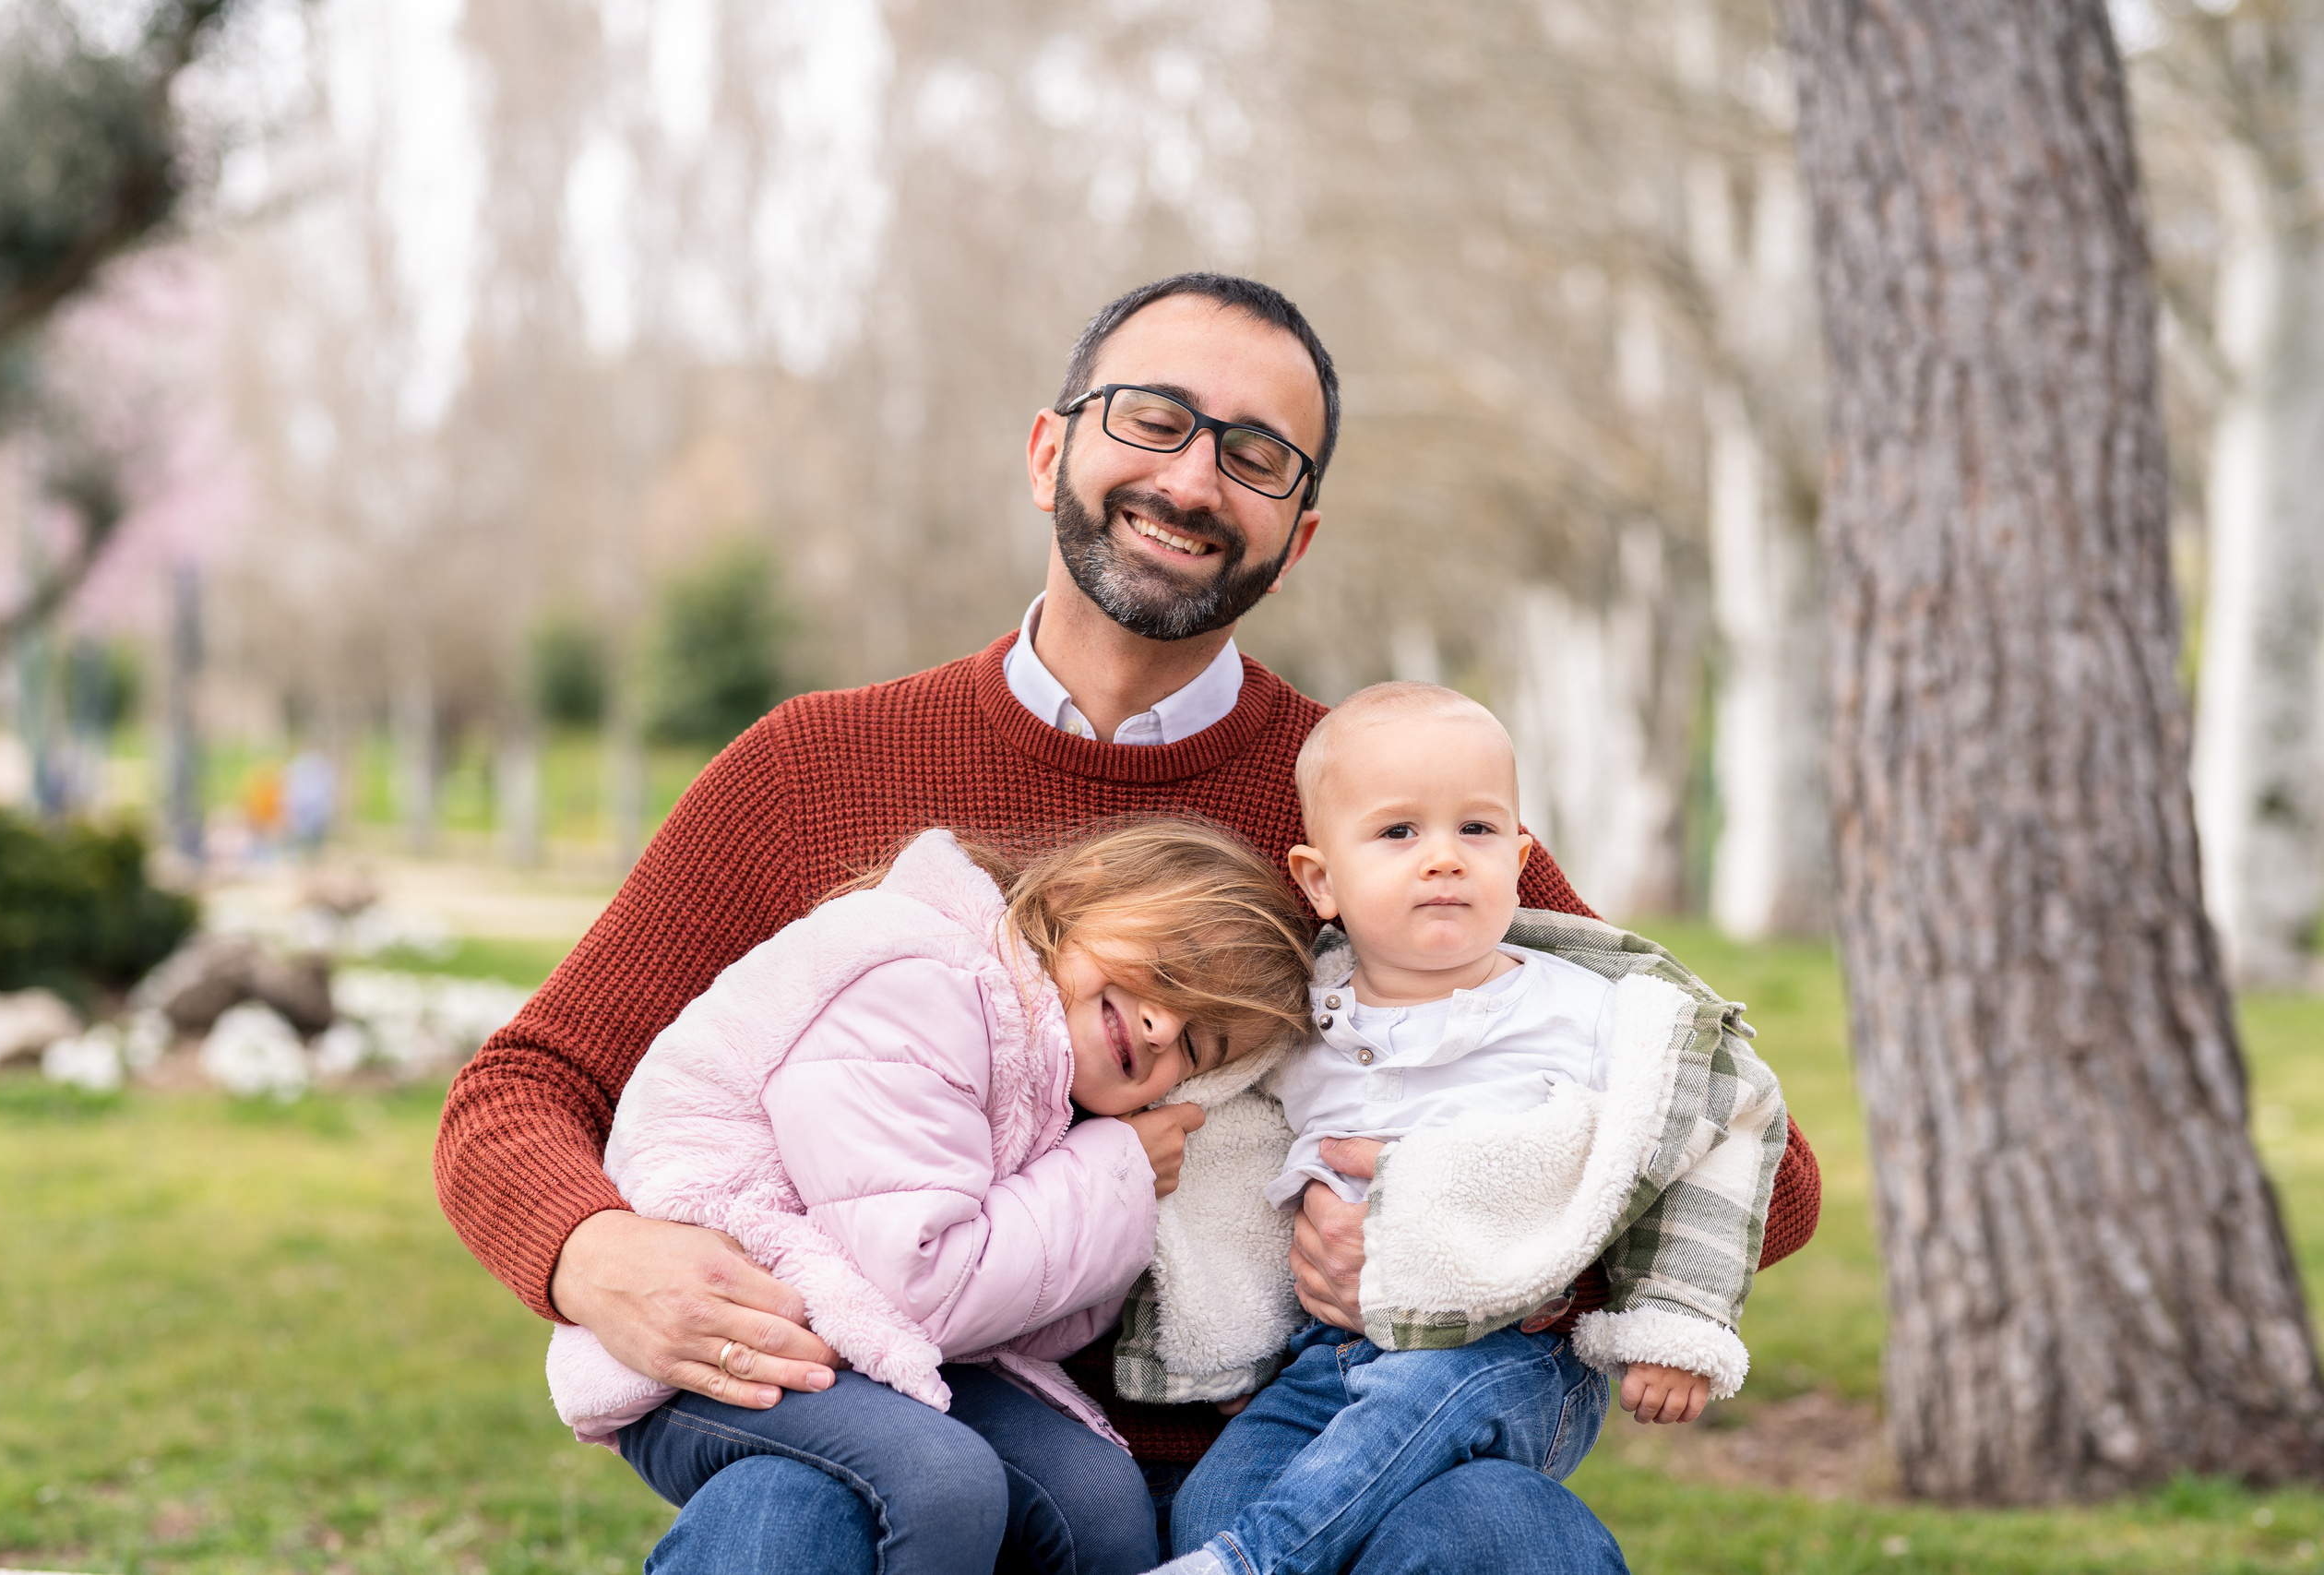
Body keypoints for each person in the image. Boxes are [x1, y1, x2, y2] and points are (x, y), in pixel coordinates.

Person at [435, 272, 1822, 1572]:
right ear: (1050, 451)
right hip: (934, 1449)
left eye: (1256, 454)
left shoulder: (1384, 808)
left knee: (1492, 1518)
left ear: (1299, 535)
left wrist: (1494, 1254)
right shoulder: (814, 769)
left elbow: (1759, 1153)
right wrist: (590, 1253)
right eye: (1154, 419)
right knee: (783, 1505)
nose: (1191, 477)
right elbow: (524, 1085)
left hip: (1297, 1472)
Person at [549, 822, 1315, 1575]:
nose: (1161, 1025)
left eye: (1196, 1048)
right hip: (713, 1347)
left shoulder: (1044, 1072)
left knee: (1098, 1503)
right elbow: (919, 1285)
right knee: (937, 1481)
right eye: (1170, 973)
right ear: (1084, 892)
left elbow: (1014, 1315)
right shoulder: (926, 986)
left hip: (867, 1337)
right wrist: (1112, 1172)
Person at [1151, 684, 1783, 1575]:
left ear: (1521, 858)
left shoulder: (1585, 1011)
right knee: (1217, 1498)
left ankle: (1252, 1562)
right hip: (1328, 1351)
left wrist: (1675, 1315)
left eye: (1477, 831)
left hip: (1506, 1352)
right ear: (1319, 881)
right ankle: (1234, 1543)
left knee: (1409, 1408)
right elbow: (1226, 1142)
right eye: (1399, 832)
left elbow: (1726, 1117)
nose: (1444, 858)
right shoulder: (1300, 1022)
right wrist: (1227, 1328)